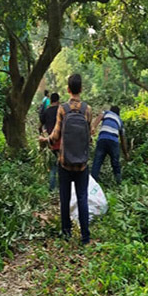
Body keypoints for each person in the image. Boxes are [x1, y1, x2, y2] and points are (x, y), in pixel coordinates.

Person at [39, 74, 92, 245]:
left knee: (65, 198)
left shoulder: (63, 109)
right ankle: (85, 237)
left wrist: (44, 141)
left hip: (65, 162)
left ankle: (67, 233)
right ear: (81, 89)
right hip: (82, 163)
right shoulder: (87, 109)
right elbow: (89, 136)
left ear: (68, 89)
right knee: (82, 198)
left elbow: (55, 136)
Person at [91, 105, 129, 184]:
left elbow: (99, 117)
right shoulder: (119, 120)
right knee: (115, 163)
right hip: (113, 142)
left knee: (97, 162)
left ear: (111, 110)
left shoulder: (107, 113)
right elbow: (123, 139)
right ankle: (119, 183)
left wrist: (93, 127)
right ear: (118, 113)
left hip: (102, 139)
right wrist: (126, 153)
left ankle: (93, 183)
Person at [40, 92, 61, 191]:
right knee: (62, 165)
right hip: (61, 142)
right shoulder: (61, 111)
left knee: (53, 166)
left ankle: (52, 188)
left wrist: (42, 134)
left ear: (51, 100)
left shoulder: (47, 111)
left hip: (50, 141)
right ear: (58, 101)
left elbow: (40, 125)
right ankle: (62, 187)